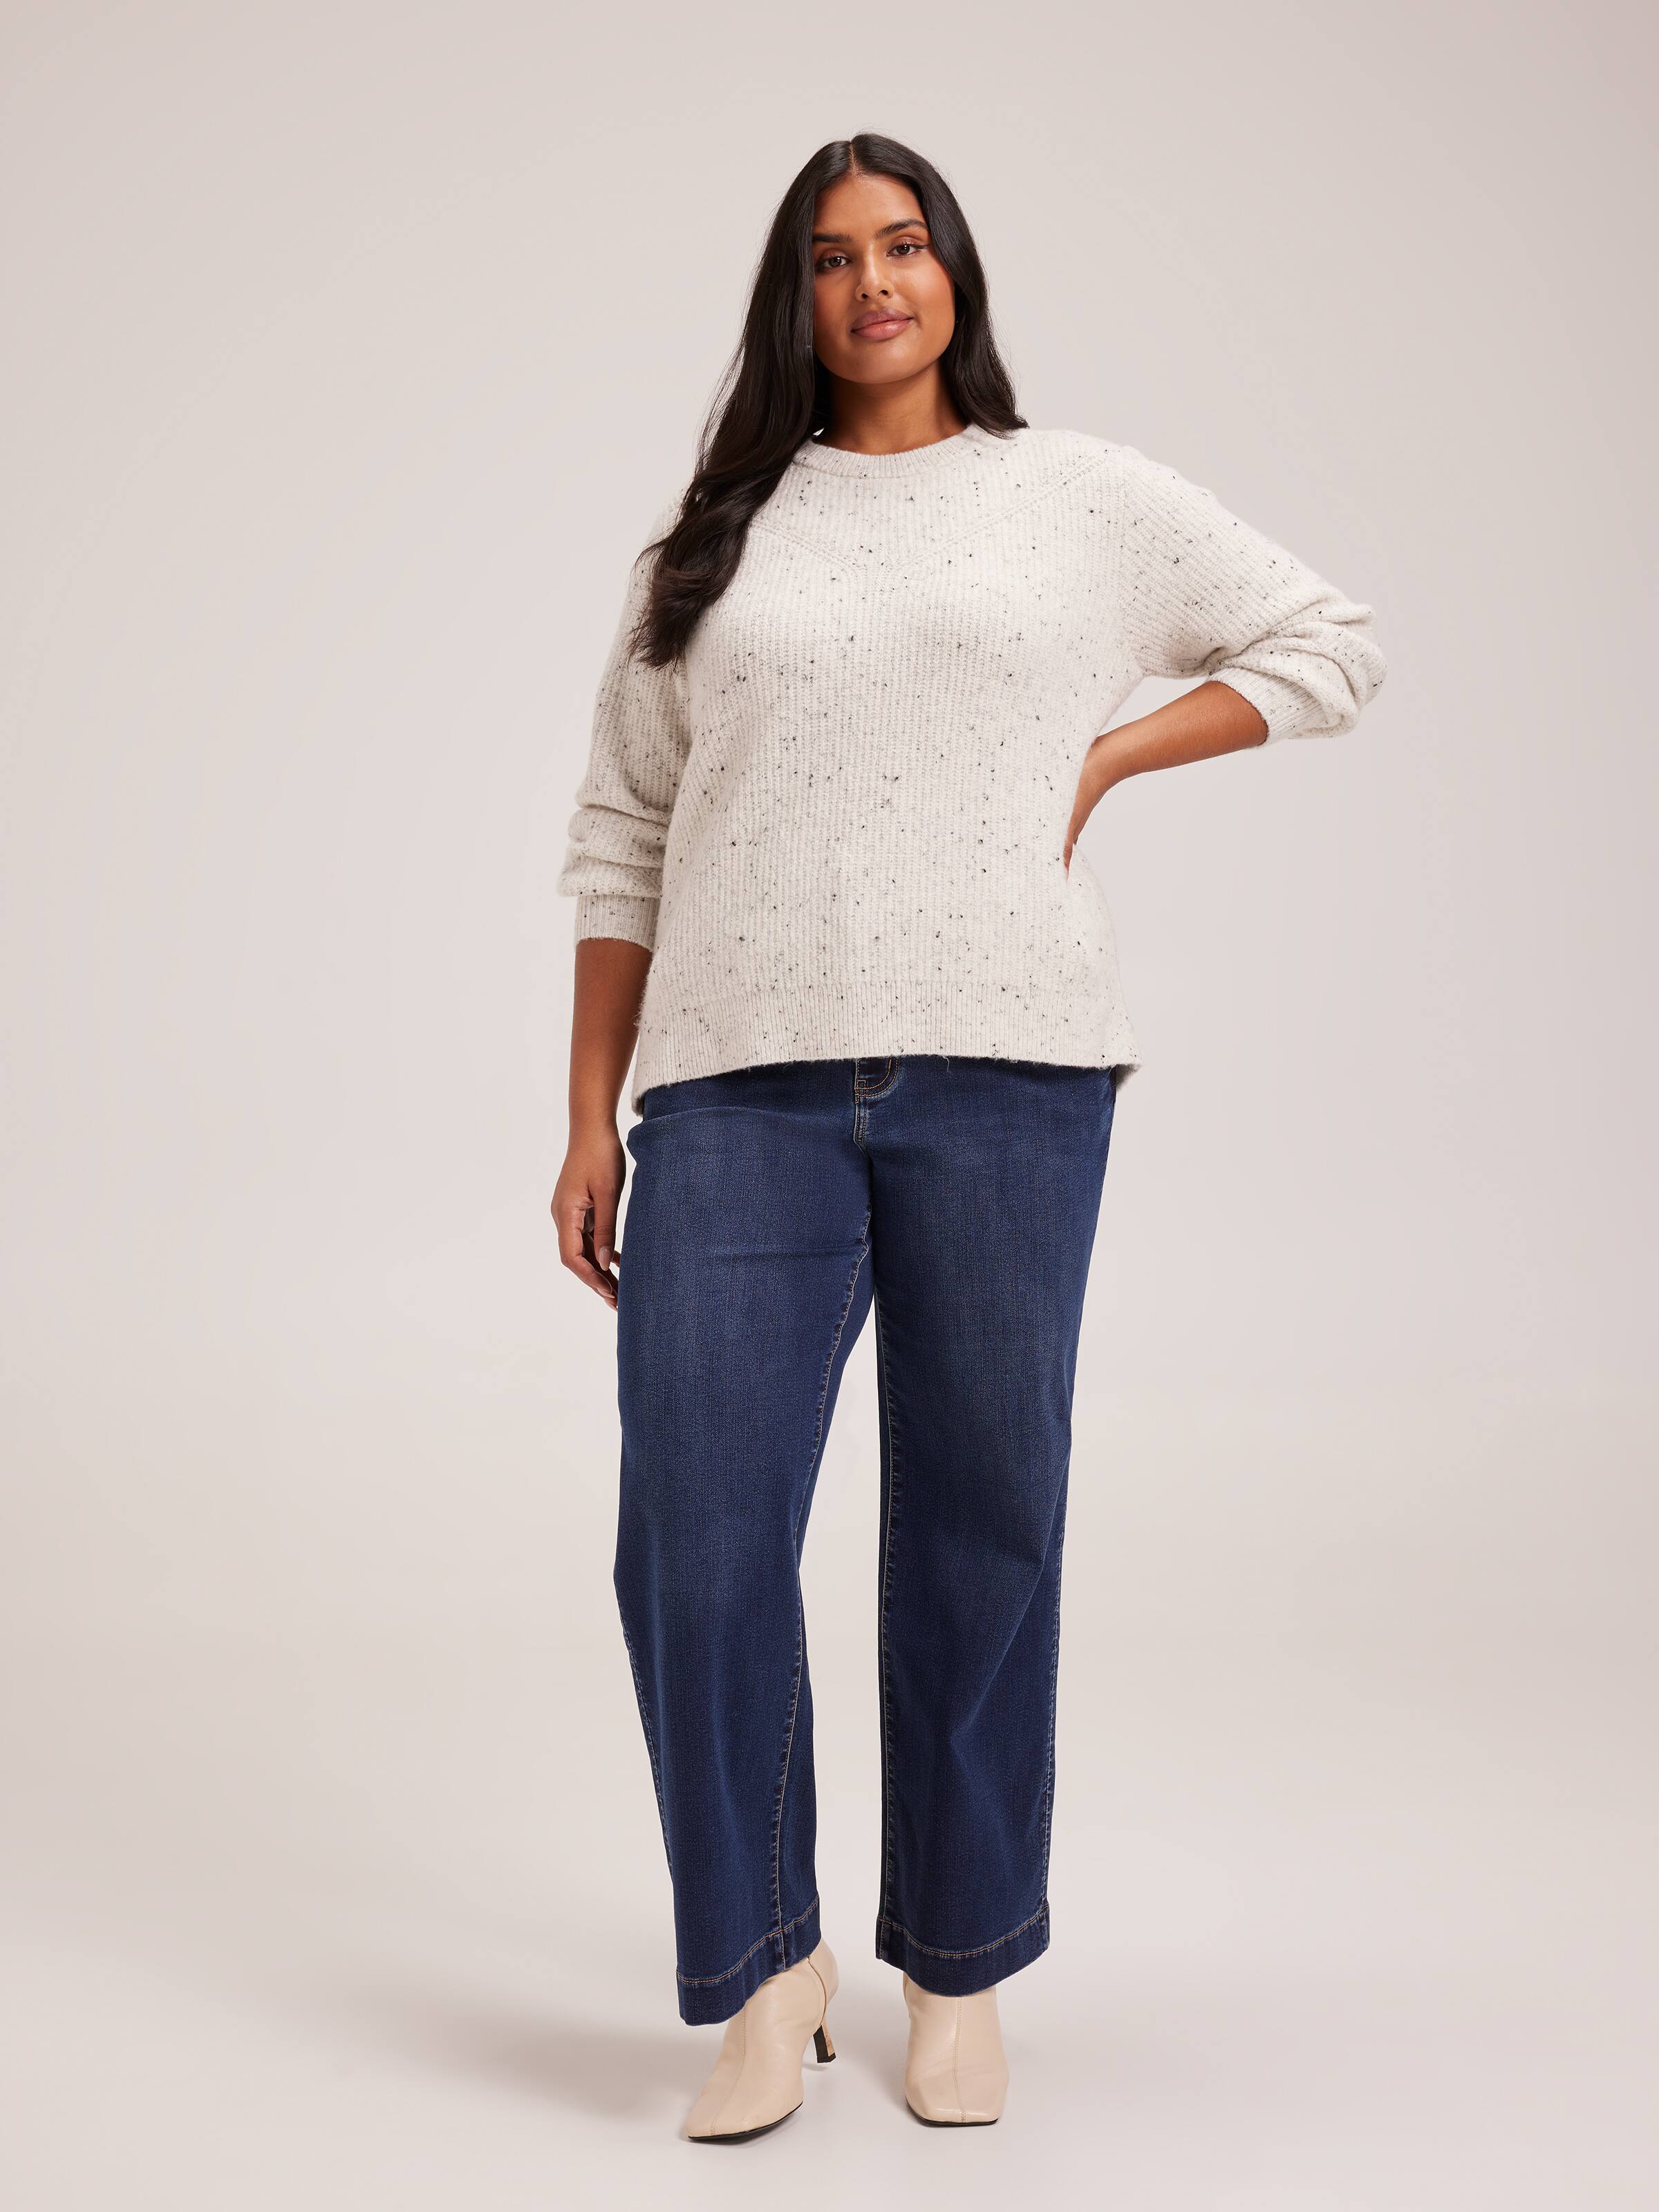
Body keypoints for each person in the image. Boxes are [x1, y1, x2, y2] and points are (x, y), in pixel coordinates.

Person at [551, 132, 1386, 2142]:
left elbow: (1331, 646)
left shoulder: (1071, 495)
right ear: (794, 295)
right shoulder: (715, 539)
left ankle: (960, 1961)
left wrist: (1109, 751)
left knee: (985, 1521)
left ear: (954, 273)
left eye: (905, 244)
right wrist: (587, 1116)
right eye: (834, 256)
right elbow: (623, 831)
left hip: (1010, 1072)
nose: (875, 283)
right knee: (694, 1529)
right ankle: (763, 1968)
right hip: (736, 1085)